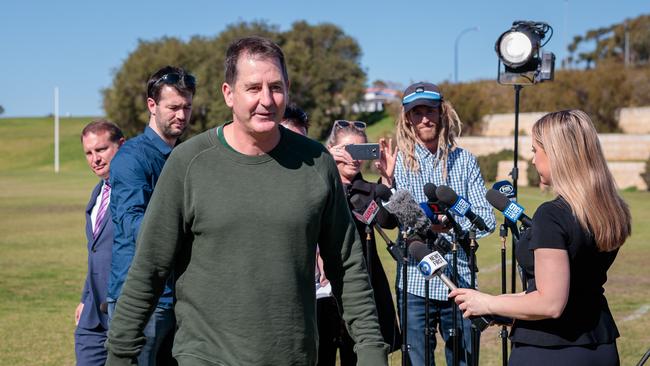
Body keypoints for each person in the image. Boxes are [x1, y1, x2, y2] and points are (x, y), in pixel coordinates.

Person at [105, 36, 388, 366]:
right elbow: (149, 268)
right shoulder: (188, 163)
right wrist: (120, 354)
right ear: (229, 93)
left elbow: (347, 266)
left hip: (293, 356)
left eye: (276, 87)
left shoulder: (317, 163)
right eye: (253, 88)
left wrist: (370, 349)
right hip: (207, 357)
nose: (266, 100)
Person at [450, 110, 631, 366]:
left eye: (535, 150)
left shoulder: (552, 215)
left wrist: (488, 302)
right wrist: (494, 304)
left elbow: (550, 303)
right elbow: (565, 288)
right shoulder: (609, 209)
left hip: (551, 351)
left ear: (557, 154)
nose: (533, 160)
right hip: (599, 346)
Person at [393, 82, 496, 365]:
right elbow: (403, 221)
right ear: (408, 119)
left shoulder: (464, 161)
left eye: (430, 110)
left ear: (442, 113)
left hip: (460, 281)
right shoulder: (399, 163)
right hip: (415, 281)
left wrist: (450, 221)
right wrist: (427, 223)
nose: (424, 118)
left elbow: (486, 220)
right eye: (417, 112)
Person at [107, 65, 195, 365]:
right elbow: (133, 223)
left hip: (181, 298)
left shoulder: (187, 158)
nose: (181, 116)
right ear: (152, 105)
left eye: (187, 107)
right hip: (144, 300)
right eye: (173, 107)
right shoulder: (131, 158)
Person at [317, 120, 401, 366]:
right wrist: (322, 162)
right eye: (347, 150)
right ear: (332, 148)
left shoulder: (368, 190)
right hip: (321, 292)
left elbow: (389, 221)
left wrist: (387, 181)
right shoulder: (317, 184)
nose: (354, 159)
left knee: (357, 356)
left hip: (361, 288)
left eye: (360, 151)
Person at [75, 120, 125, 366]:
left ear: (121, 146)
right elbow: (95, 252)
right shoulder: (97, 193)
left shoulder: (135, 191)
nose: (94, 158)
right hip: (93, 313)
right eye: (88, 153)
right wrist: (86, 298)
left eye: (101, 149)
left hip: (124, 309)